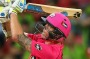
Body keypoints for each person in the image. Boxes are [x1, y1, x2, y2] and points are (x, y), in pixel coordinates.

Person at [6, 0, 71, 59]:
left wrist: (13, 11)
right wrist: (6, 17)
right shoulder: (42, 38)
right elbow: (13, 34)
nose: (45, 26)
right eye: (47, 23)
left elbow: (17, 37)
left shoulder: (52, 52)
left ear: (57, 33)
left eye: (50, 26)